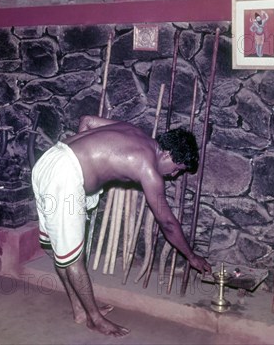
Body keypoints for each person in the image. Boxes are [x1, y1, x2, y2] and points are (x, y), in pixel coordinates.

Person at [31, 115, 212, 337]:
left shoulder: (134, 131)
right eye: (176, 168)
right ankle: (95, 320)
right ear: (166, 153)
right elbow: (167, 222)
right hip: (63, 179)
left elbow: (87, 120)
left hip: (50, 159)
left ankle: (80, 309)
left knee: (62, 248)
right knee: (73, 258)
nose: (174, 175)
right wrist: (191, 256)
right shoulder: (148, 169)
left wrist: (77, 158)